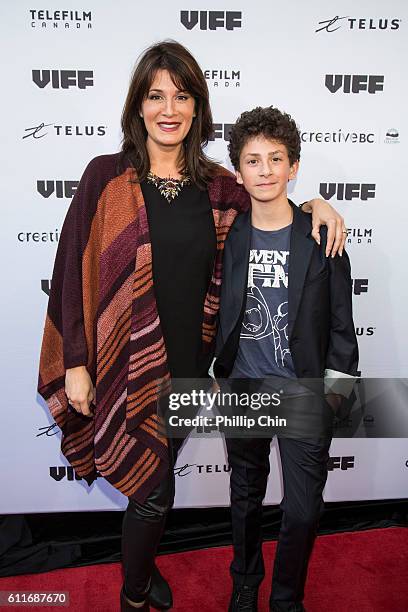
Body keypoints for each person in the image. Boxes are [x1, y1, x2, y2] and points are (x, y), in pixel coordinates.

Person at [37, 41, 347, 612]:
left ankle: (141, 574)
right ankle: (134, 592)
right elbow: (70, 266)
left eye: (181, 95)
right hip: (120, 366)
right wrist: (76, 361)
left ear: (197, 106)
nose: (169, 108)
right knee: (154, 494)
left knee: (153, 487)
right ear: (138, 105)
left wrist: (316, 206)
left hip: (189, 373)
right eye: (156, 96)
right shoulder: (107, 176)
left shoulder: (218, 183)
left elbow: (269, 199)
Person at [214, 106, 359, 611]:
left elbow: (343, 327)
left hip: (304, 393)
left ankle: (286, 597)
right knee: (245, 499)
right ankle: (246, 582)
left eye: (276, 159)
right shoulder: (228, 237)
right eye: (253, 161)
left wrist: (336, 402)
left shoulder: (324, 237)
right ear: (238, 172)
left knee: (301, 510)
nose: (266, 170)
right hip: (244, 388)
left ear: (294, 166)